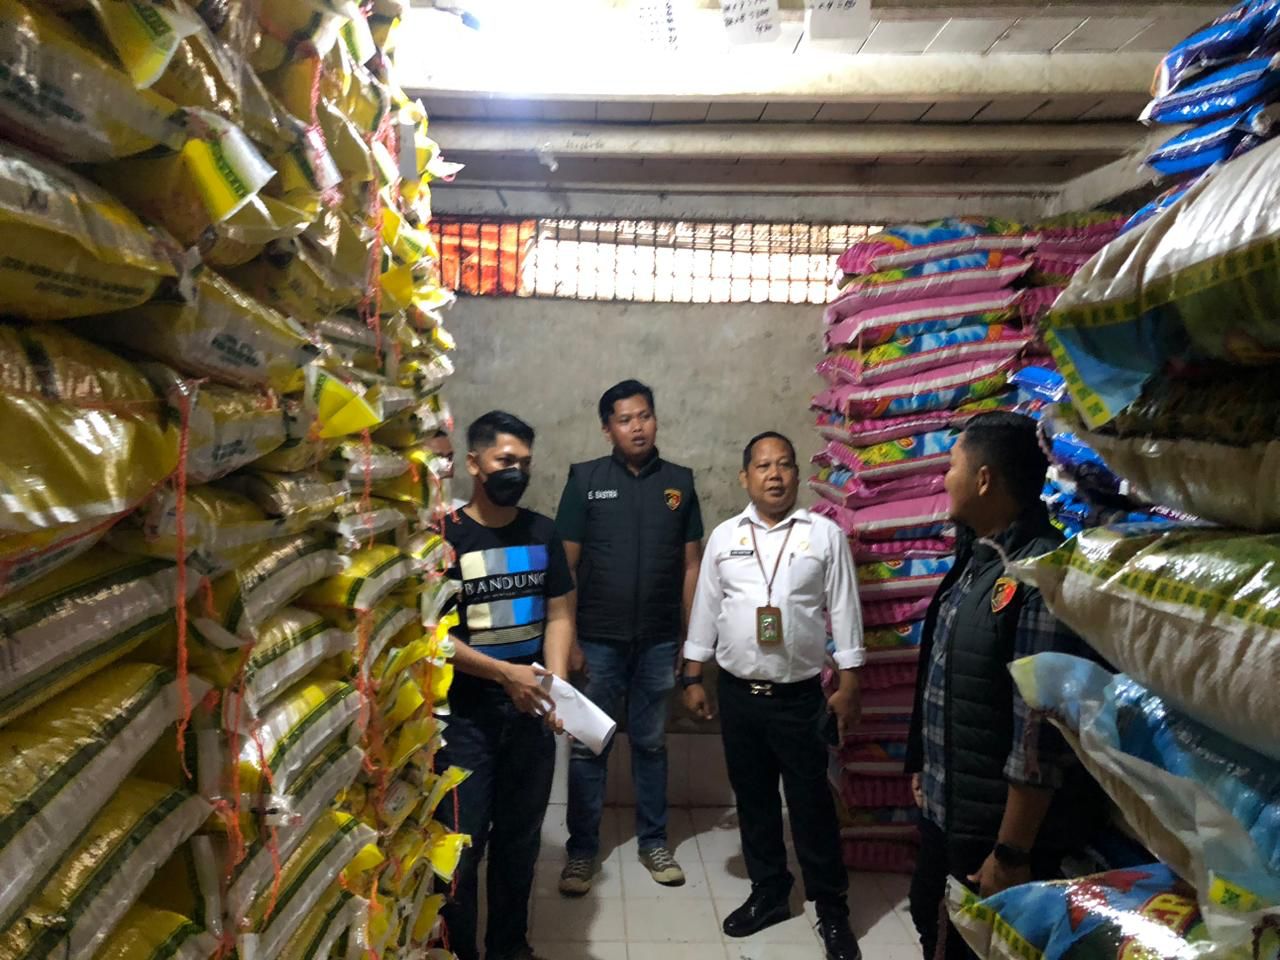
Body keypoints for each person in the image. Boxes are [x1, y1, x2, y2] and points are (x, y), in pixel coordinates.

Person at [903, 412, 1107, 960]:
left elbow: (1038, 736)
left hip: (992, 834)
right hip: (952, 814)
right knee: (930, 920)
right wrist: (926, 763)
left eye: (951, 466)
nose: (944, 479)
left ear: (984, 479)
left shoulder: (1038, 577)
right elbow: (948, 678)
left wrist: (1011, 852)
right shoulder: (979, 560)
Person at [682, 431, 864, 960]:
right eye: (763, 466)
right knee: (754, 799)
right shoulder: (725, 537)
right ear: (745, 477)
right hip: (739, 695)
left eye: (784, 465)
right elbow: (706, 608)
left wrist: (850, 680)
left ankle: (831, 907)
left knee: (811, 805)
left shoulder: (823, 535)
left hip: (799, 698)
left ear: (797, 475)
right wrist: (693, 675)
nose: (775, 475)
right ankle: (770, 892)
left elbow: (844, 608)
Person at [555, 379, 704, 893]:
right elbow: (565, 567)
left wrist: (690, 641)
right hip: (597, 639)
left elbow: (691, 566)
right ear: (607, 429)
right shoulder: (585, 480)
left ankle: (654, 842)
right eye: (625, 419)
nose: (637, 427)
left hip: (659, 641)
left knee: (651, 744)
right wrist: (571, 641)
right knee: (587, 745)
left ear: (655, 420)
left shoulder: (680, 484)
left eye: (644, 416)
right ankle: (581, 851)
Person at [436, 411, 576, 960]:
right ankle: (459, 952)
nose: (517, 472)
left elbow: (560, 612)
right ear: (474, 464)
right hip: (464, 719)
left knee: (519, 841)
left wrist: (555, 684)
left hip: (530, 711)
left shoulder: (543, 532)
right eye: (505, 460)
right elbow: (434, 637)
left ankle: (509, 947)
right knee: (463, 845)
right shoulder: (445, 537)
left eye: (525, 463)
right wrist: (504, 674)